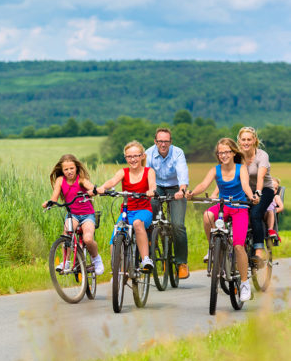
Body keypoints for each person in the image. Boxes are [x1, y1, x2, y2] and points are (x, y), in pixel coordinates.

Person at [186, 138, 258, 302]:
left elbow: (246, 185)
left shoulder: (241, 168)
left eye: (226, 152)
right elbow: (204, 185)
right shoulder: (215, 170)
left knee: (239, 246)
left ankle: (245, 284)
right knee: (207, 215)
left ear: (233, 153)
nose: (223, 155)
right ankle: (213, 248)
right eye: (220, 152)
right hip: (223, 206)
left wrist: (251, 196)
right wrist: (192, 193)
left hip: (239, 208)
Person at [96, 140, 156, 270]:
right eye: (129, 156)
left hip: (143, 210)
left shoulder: (148, 171)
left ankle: (145, 259)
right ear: (125, 158)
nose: (133, 159)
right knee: (115, 240)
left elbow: (152, 185)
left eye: (136, 156)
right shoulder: (123, 172)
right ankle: (118, 271)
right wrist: (102, 187)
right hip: (126, 212)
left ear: (142, 156)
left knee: (137, 224)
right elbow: (112, 181)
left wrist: (151, 191)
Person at [42, 154, 104, 275]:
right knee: (67, 235)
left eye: (72, 168)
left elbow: (91, 188)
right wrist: (49, 203)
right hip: (73, 215)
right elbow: (54, 197)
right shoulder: (60, 181)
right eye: (66, 169)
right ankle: (67, 261)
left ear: (76, 168)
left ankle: (96, 259)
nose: (69, 171)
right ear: (62, 170)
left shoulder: (81, 179)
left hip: (87, 215)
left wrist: (94, 191)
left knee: (88, 238)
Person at [146, 127, 190, 279]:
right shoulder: (149, 153)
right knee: (150, 206)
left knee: (178, 224)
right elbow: (146, 173)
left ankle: (181, 262)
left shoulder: (177, 152)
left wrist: (182, 190)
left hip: (175, 187)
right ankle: (152, 243)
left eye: (166, 141)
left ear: (171, 142)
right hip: (156, 186)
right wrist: (149, 190)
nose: (163, 144)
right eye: (160, 141)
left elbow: (182, 172)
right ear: (155, 141)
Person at [237, 126, 275, 265]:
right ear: (239, 141)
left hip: (264, 189)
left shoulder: (262, 155)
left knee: (255, 213)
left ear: (254, 141)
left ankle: (259, 249)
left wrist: (258, 194)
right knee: (237, 214)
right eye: (243, 139)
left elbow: (260, 177)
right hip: (245, 190)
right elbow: (229, 174)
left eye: (249, 139)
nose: (246, 142)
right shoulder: (237, 156)